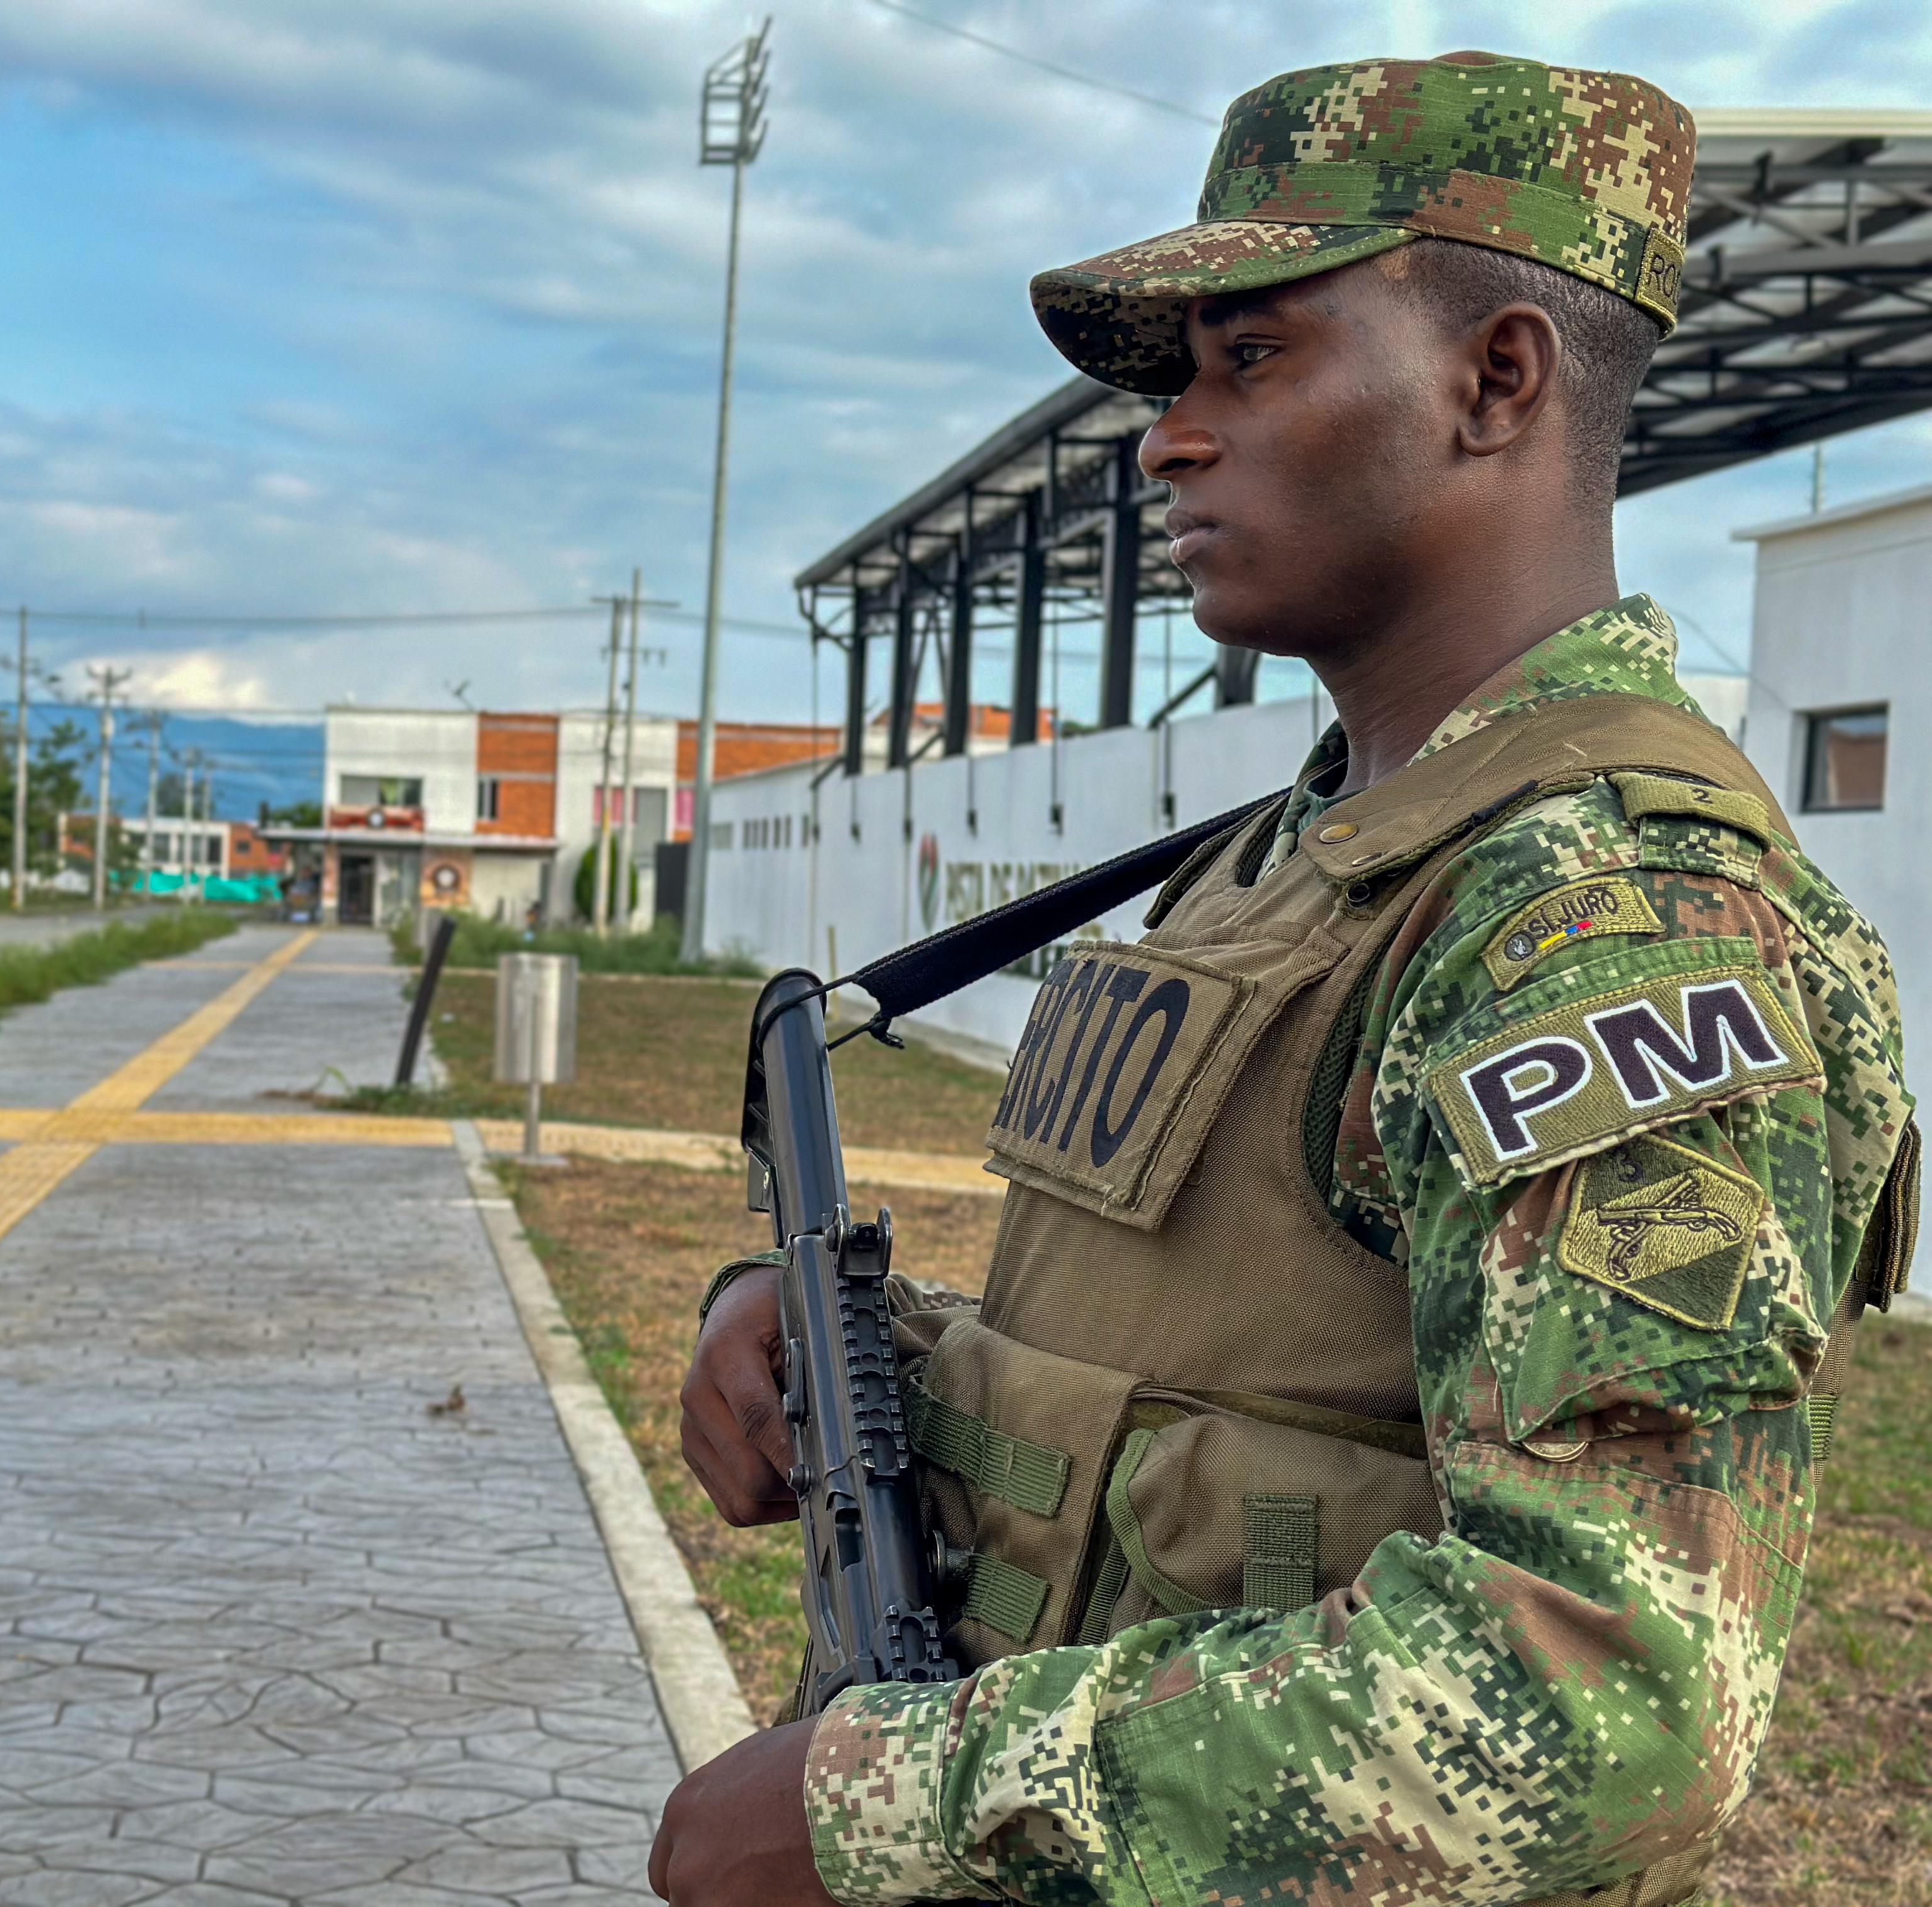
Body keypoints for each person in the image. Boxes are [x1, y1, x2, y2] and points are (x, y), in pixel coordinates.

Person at [653, 51, 1917, 1907]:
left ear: (1499, 381)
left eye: (1253, 358)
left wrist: (885, 1803)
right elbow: (1198, 1386)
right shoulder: (1294, 858)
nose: (1170, 435)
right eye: (1180, 378)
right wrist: (835, 1348)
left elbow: (1606, 1697)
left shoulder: (1607, 910)